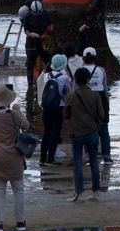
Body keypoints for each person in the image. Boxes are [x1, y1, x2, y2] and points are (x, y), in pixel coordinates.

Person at [0, 85, 27, 231]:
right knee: (18, 190)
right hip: (14, 155)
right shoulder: (14, 114)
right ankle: (20, 223)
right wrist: (18, 111)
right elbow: (26, 126)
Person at [64, 61, 106, 199]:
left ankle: (79, 192)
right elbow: (101, 115)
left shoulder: (70, 97)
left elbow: (66, 116)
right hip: (92, 131)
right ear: (88, 79)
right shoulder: (95, 95)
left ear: (76, 80)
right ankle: (96, 191)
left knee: (78, 162)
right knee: (94, 161)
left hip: (76, 133)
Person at [37, 54, 68, 167]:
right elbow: (68, 91)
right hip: (58, 107)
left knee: (46, 132)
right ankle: (50, 159)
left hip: (46, 107)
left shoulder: (46, 76)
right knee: (55, 132)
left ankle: (42, 158)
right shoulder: (64, 78)